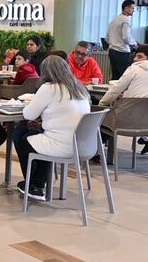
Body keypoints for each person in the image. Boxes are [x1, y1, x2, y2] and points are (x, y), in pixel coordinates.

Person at [13, 56, 91, 200]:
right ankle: (37, 183)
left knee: (20, 136)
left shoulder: (49, 88)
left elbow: (28, 114)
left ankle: (34, 186)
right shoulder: (79, 88)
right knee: (38, 137)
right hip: (83, 146)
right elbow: (64, 118)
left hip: (61, 145)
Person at [107, 0, 138, 80]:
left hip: (112, 51)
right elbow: (126, 37)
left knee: (115, 77)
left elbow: (107, 37)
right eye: (132, 8)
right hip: (122, 52)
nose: (133, 11)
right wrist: (134, 44)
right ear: (126, 8)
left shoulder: (114, 19)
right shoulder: (126, 20)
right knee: (126, 78)